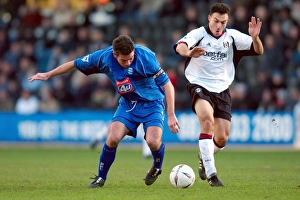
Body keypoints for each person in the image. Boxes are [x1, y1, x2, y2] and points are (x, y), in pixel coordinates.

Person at [28, 35, 180, 188]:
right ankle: (101, 178)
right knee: (113, 137)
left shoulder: (146, 57)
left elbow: (168, 86)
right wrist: (48, 74)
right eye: (123, 60)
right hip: (128, 104)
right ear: (114, 55)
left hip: (152, 103)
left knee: (153, 142)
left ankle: (157, 166)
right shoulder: (103, 57)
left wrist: (171, 114)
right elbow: (74, 64)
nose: (128, 63)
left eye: (130, 59)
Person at [173, 3, 263, 187]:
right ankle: (212, 174)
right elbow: (180, 46)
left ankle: (203, 155)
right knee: (207, 121)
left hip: (222, 89)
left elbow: (259, 50)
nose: (219, 26)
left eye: (223, 22)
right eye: (216, 21)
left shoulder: (233, 37)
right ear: (209, 18)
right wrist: (189, 52)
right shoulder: (199, 34)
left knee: (222, 139)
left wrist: (255, 38)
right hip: (199, 84)